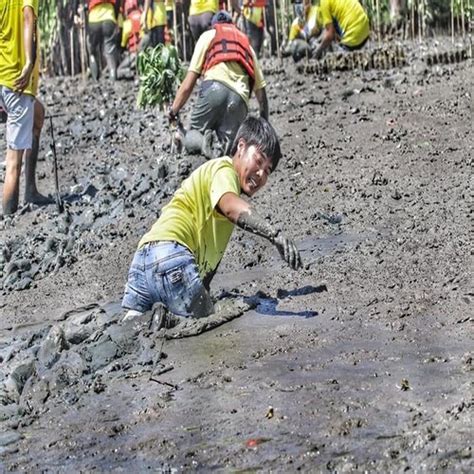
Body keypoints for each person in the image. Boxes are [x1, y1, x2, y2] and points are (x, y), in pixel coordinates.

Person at [122, 116, 302, 320]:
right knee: (207, 323)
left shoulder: (214, 175)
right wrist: (274, 234)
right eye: (259, 160)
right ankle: (168, 321)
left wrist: (203, 294)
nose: (260, 173)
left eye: (267, 170)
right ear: (241, 147)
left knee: (135, 329)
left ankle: (154, 318)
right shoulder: (224, 171)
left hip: (141, 262)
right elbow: (230, 206)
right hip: (172, 256)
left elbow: (204, 272)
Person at [168, 11, 269, 158]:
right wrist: (264, 128)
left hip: (214, 89)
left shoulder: (209, 35)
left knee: (194, 134)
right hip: (239, 98)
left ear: (214, 25)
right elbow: (262, 96)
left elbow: (188, 84)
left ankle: (203, 143)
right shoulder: (246, 44)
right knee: (226, 154)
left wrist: (173, 111)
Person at [0, 0, 49, 215]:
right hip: (17, 82)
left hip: (4, 79)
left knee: (38, 115)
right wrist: (29, 62)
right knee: (13, 163)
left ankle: (31, 190)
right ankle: (8, 215)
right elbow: (28, 16)